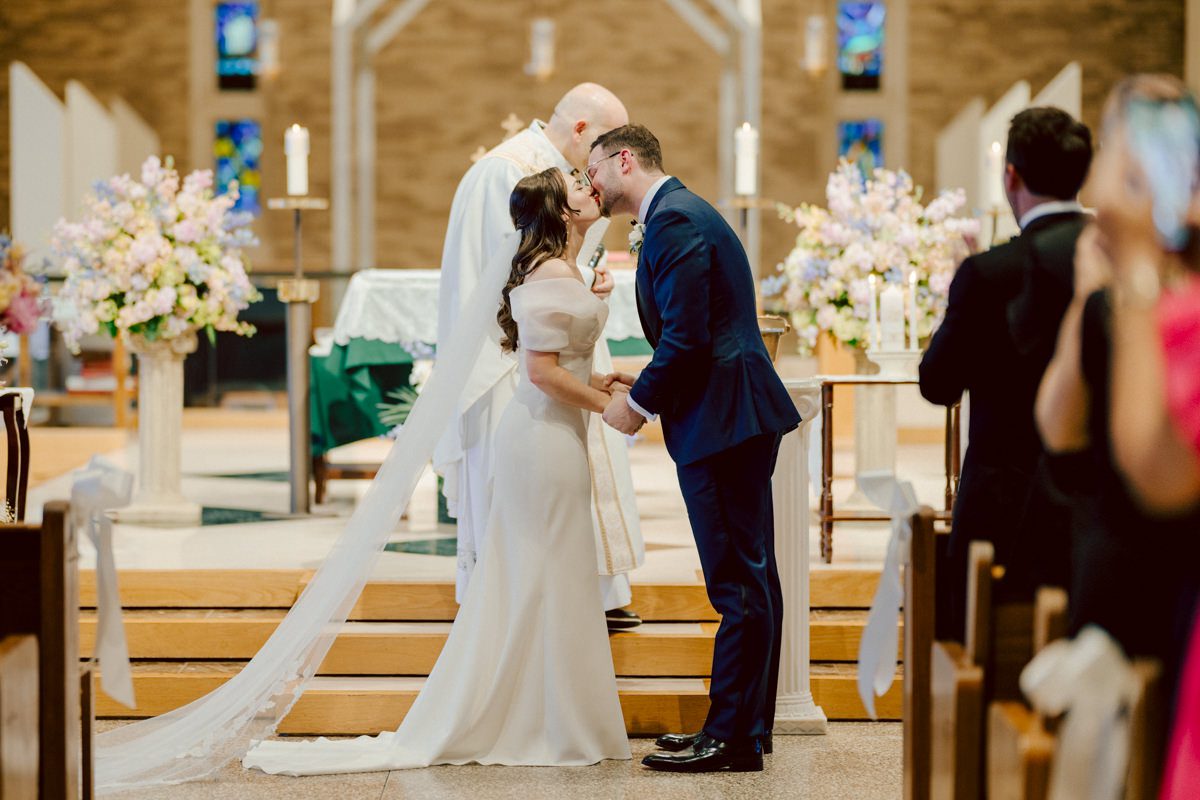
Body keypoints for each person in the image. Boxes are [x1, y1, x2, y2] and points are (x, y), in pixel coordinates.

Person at [244, 168, 633, 774]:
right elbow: (541, 374)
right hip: (544, 440)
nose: (590, 188)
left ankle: (550, 714)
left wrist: (600, 374)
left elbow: (565, 362)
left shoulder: (559, 270)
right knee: (546, 570)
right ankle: (551, 722)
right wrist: (607, 405)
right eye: (577, 186)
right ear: (559, 211)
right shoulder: (553, 273)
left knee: (548, 573)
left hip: (552, 435)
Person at [588, 124, 801, 773]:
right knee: (745, 577)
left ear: (624, 159)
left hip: (726, 418)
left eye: (593, 170)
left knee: (738, 583)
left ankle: (733, 737)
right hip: (723, 411)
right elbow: (690, 333)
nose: (590, 184)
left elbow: (687, 341)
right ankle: (738, 730)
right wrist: (644, 377)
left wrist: (638, 404)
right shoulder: (675, 215)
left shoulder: (676, 220)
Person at [434, 82, 645, 627]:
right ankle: (513, 600)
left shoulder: (563, 176)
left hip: (561, 343)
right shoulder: (505, 172)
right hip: (510, 357)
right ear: (579, 129)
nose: (601, 166)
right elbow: (502, 276)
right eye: (601, 143)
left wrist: (585, 282)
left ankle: (589, 594)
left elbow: (555, 261)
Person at [1036, 74, 1200, 697]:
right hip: (1108, 578)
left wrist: (1135, 269)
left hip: (1174, 595)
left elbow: (1164, 480)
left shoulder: (1165, 301)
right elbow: (1059, 430)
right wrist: (1086, 299)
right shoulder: (1111, 303)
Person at [919, 107, 1092, 638]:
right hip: (1093, 503)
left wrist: (964, 296)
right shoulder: (1117, 259)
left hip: (1005, 512)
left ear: (1010, 175)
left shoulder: (989, 274)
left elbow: (938, 384)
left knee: (979, 645)